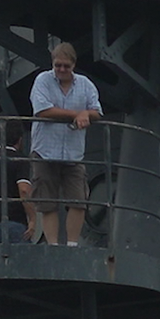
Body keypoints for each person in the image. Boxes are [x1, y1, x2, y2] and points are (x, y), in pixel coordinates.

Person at [29, 42, 102, 245]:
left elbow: (97, 111)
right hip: (45, 150)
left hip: (73, 153)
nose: (61, 69)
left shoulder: (86, 85)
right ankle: (53, 246)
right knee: (47, 202)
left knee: (78, 201)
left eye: (66, 66)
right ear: (53, 63)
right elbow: (43, 110)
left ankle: (71, 245)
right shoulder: (42, 80)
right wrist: (77, 114)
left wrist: (87, 114)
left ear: (73, 65)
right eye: (58, 65)